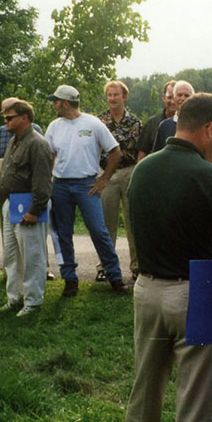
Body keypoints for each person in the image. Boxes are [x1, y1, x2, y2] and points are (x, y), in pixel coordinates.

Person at [122, 94, 212, 422]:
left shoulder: (142, 170)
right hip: (197, 291)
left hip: (146, 289)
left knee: (145, 390)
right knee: (197, 404)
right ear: (208, 128)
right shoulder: (210, 177)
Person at [44, 85, 127, 297]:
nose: (53, 104)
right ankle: (70, 279)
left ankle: (115, 276)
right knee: (63, 233)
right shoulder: (54, 126)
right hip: (61, 184)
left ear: (65, 103)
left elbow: (115, 151)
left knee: (99, 231)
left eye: (56, 101)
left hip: (86, 185)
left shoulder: (92, 123)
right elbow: (49, 155)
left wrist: (103, 179)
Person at [0, 99, 53, 317]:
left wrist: (34, 210)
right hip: (10, 203)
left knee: (31, 256)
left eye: (9, 117)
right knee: (11, 256)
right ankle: (14, 298)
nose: (5, 121)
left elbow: (42, 182)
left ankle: (33, 301)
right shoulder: (14, 141)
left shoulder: (37, 143)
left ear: (24, 118)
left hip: (28, 206)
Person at [97, 80, 142, 281]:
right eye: (110, 95)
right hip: (106, 174)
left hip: (129, 172)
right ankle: (105, 267)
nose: (113, 99)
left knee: (133, 221)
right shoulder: (99, 122)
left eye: (116, 95)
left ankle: (138, 266)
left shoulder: (135, 122)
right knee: (106, 223)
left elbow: (140, 150)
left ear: (124, 97)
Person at [136, 79, 176, 162]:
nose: (172, 101)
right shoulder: (151, 124)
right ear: (163, 98)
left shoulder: (190, 125)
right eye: (169, 97)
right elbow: (142, 154)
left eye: (176, 97)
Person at [152, 80, 195, 152]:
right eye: (179, 95)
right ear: (174, 98)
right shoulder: (164, 126)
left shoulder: (200, 125)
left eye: (187, 95)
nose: (183, 98)